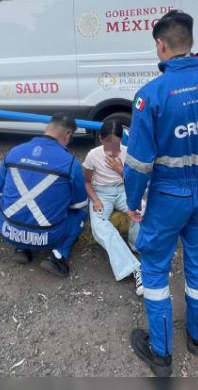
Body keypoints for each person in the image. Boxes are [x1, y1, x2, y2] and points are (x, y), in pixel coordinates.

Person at [124, 10, 198, 377]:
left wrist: (132, 201)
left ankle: (161, 353)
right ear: (190, 43)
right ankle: (197, 337)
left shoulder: (150, 96)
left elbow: (139, 163)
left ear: (161, 45)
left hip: (167, 199)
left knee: (155, 270)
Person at [0, 114, 89, 278]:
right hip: (46, 237)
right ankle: (57, 256)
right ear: (68, 135)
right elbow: (78, 203)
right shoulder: (71, 163)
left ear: (47, 129)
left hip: (6, 230)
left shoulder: (14, 152)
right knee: (82, 211)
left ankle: (21, 248)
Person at [83, 119, 143, 296]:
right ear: (101, 139)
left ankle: (137, 245)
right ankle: (134, 268)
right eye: (109, 143)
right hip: (101, 192)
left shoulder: (127, 153)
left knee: (141, 209)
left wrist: (120, 169)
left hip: (123, 189)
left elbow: (133, 181)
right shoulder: (93, 155)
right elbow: (86, 181)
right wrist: (95, 199)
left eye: (117, 143)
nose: (113, 148)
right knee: (99, 224)